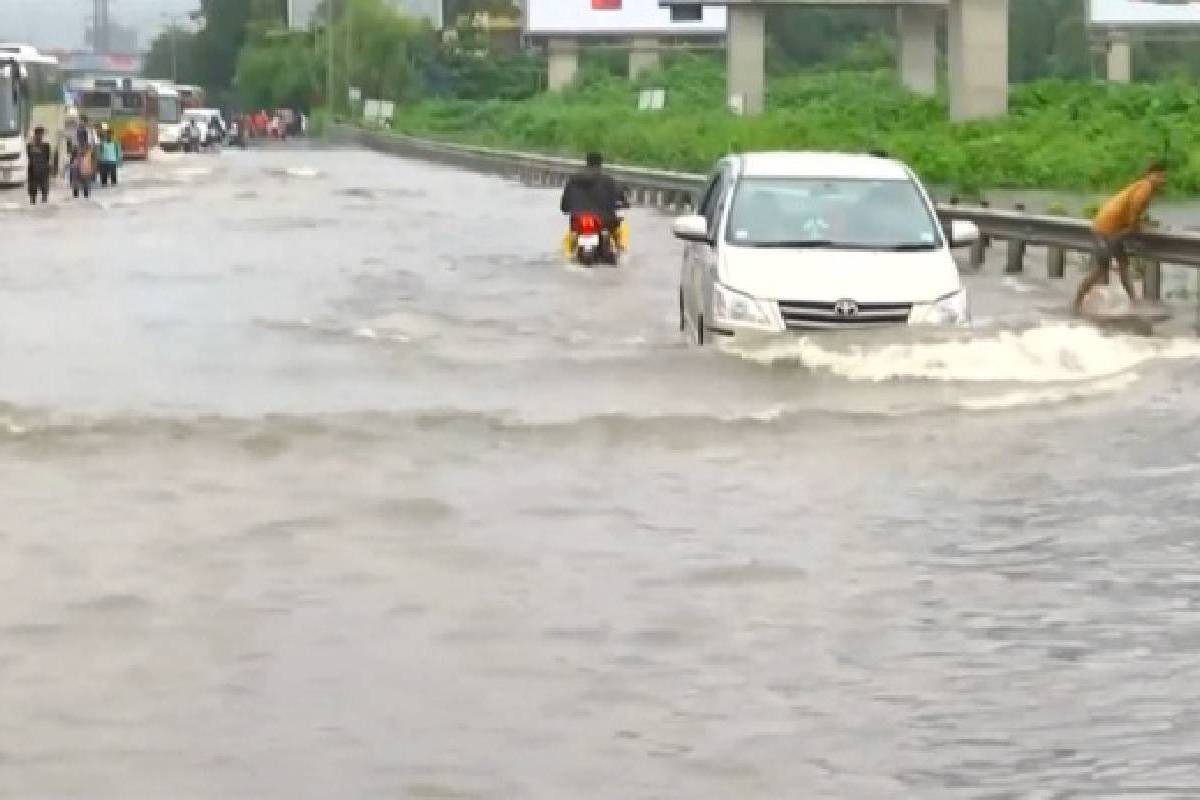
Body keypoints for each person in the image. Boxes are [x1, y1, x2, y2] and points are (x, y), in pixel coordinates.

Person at [1074, 161, 1169, 314]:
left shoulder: (1142, 186)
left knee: (1123, 263)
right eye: (1160, 176)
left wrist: (1136, 224)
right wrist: (1134, 226)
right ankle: (1077, 301)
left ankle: (1133, 301)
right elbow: (1136, 205)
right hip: (1107, 229)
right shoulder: (1145, 187)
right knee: (1101, 268)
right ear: (1151, 174)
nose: (1162, 180)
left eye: (1164, 177)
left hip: (1114, 227)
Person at [560, 152, 628, 238]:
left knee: (571, 239)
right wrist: (623, 203)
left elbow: (564, 203)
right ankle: (616, 247)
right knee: (616, 232)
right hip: (603, 220)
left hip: (578, 220)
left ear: (587, 162)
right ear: (601, 163)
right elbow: (618, 195)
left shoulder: (573, 179)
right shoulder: (608, 180)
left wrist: (568, 209)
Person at [26, 126, 52, 205]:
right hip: (34, 169)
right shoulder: (30, 145)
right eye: (39, 134)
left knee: (43, 188)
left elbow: (48, 157)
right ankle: (34, 201)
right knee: (34, 189)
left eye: (41, 134)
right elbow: (29, 156)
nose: (40, 136)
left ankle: (41, 201)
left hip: (42, 169)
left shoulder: (45, 145)